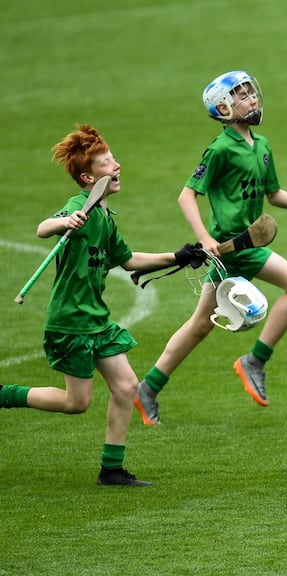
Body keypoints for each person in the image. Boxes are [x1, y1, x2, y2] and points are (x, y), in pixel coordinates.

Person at [0, 124, 205, 485]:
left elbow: (128, 261)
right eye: (107, 163)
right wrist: (65, 221)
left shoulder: (106, 220)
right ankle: (4, 395)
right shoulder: (80, 207)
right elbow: (42, 228)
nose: (116, 166)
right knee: (76, 403)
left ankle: (112, 470)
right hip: (70, 321)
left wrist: (178, 255)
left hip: (96, 319)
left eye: (113, 160)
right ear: (87, 176)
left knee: (127, 387)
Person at [134, 70, 287, 425]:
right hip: (227, 251)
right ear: (223, 107)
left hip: (249, 244)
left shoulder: (262, 145)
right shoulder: (221, 148)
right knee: (200, 325)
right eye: (241, 95)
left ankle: (253, 361)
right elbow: (187, 194)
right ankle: (147, 389)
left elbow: (273, 193)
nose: (251, 99)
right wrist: (205, 239)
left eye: (251, 92)